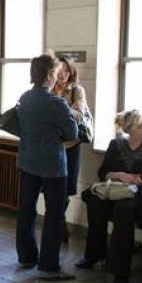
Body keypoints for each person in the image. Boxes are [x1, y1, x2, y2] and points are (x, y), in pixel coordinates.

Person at [77, 110, 142, 283]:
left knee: (124, 209)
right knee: (95, 201)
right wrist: (121, 175)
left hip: (140, 194)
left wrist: (135, 181)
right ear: (129, 131)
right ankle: (94, 254)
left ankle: (120, 273)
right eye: (139, 126)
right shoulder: (116, 144)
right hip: (114, 190)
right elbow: (103, 172)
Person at [16, 54, 78, 281]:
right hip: (53, 165)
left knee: (26, 209)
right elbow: (73, 133)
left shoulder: (25, 98)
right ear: (50, 75)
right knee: (54, 214)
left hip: (27, 160)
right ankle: (48, 265)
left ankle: (26, 256)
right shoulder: (56, 103)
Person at [52, 55, 92, 242]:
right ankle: (58, 224)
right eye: (60, 71)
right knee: (51, 188)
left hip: (71, 147)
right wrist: (67, 111)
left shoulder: (77, 90)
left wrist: (58, 112)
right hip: (51, 147)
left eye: (67, 71)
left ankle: (58, 223)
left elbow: (80, 115)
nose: (63, 75)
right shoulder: (48, 89)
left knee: (66, 189)